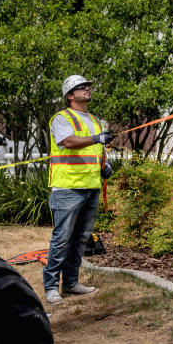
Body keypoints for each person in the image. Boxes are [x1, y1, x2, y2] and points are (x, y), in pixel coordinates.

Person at [44, 74, 114, 306]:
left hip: (91, 186)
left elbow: (98, 149)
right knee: (62, 238)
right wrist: (96, 138)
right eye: (81, 87)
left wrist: (106, 165)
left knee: (81, 239)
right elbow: (69, 142)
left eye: (87, 86)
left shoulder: (94, 120)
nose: (87, 89)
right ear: (70, 95)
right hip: (67, 188)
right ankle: (51, 286)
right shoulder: (61, 118)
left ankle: (71, 283)